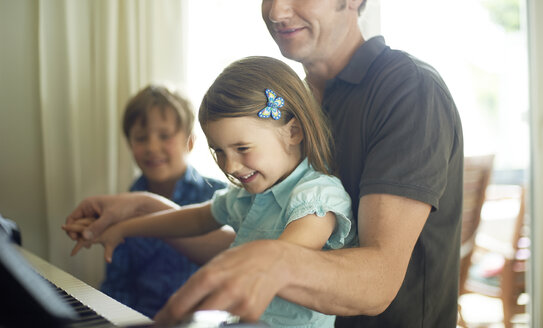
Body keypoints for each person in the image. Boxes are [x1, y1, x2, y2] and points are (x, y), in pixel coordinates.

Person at [65, 0, 464, 327]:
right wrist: (141, 210)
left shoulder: (407, 89)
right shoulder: (288, 106)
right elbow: (253, 242)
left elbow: (376, 281)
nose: (275, 11)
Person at [64, 56, 356, 328]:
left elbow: (277, 259)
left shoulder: (316, 197)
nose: (230, 165)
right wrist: (125, 227)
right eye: (218, 151)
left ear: (293, 133)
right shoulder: (246, 194)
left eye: (242, 148)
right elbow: (193, 220)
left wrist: (179, 310)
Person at [92, 85, 227, 318]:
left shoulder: (220, 196)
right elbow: (118, 285)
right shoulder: (125, 201)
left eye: (164, 136)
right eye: (141, 138)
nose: (152, 148)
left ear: (190, 142)